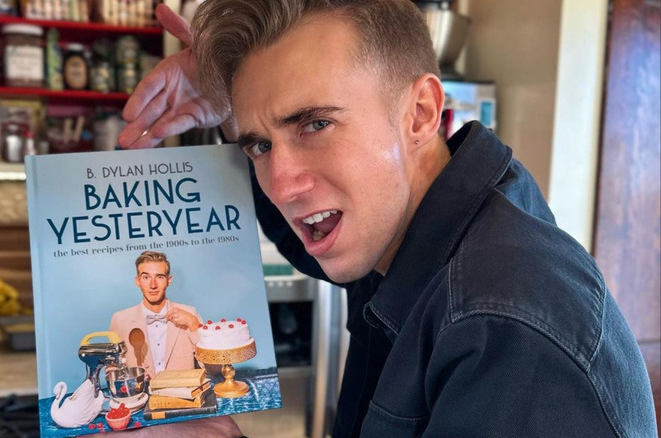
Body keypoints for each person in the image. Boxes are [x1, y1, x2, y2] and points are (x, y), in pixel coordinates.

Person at [118, 0, 658, 437]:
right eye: (259, 144)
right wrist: (229, 109)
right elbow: (303, 231)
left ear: (420, 113)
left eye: (315, 124)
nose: (281, 185)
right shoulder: (416, 228)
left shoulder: (505, 329)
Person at [109, 251, 201, 378]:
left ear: (169, 280)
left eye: (159, 277)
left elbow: (212, 369)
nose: (153, 285)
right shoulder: (120, 319)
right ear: (138, 281)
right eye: (146, 277)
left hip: (183, 396)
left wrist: (193, 325)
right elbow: (112, 367)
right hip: (142, 396)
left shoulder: (190, 313)